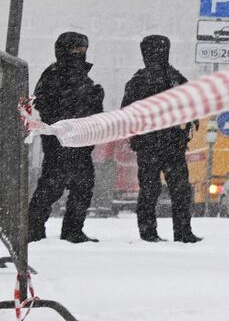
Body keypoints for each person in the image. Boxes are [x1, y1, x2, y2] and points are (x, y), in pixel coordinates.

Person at [26, 31, 105, 243]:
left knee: (83, 187)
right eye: (76, 49)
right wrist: (73, 106)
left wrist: (95, 99)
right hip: (60, 142)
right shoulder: (53, 74)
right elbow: (44, 105)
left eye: (83, 49)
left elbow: (91, 111)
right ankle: (32, 229)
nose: (80, 53)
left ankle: (72, 230)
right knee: (51, 187)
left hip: (81, 141)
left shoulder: (83, 77)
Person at [122, 35, 201, 244]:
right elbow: (127, 113)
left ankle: (182, 232)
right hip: (151, 145)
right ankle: (151, 233)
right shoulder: (142, 81)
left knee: (179, 190)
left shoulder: (173, 78)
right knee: (152, 189)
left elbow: (191, 102)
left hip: (171, 144)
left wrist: (192, 119)